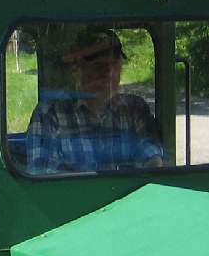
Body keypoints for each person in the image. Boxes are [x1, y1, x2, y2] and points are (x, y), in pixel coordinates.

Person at [25, 28, 164, 174]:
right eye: (98, 65)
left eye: (114, 64)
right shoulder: (49, 114)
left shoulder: (135, 109)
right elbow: (43, 171)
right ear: (76, 70)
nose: (108, 73)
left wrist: (154, 166)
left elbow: (152, 155)